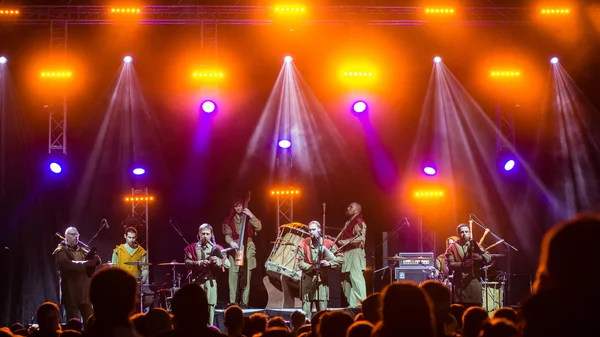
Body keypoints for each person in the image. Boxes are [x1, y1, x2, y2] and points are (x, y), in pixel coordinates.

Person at [52, 227, 100, 324]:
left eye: (77, 234)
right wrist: (86, 263)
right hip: (71, 292)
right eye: (73, 234)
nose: (76, 237)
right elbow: (67, 265)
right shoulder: (60, 251)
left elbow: (94, 262)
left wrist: (96, 259)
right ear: (66, 236)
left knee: (91, 321)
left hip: (84, 293)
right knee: (73, 322)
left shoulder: (82, 250)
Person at [184, 223, 229, 326]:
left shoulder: (217, 248)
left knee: (210, 307)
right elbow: (187, 262)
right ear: (199, 234)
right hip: (197, 282)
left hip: (210, 281)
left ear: (211, 235)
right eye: (203, 233)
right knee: (196, 307)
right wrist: (198, 263)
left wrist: (217, 260)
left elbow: (227, 264)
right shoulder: (192, 248)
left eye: (207, 234)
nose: (205, 236)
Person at [297, 221, 342, 318]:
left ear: (319, 230)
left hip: (322, 282)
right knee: (306, 313)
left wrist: (329, 264)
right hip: (308, 282)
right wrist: (312, 267)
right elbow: (299, 263)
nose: (311, 232)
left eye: (313, 229)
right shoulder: (303, 243)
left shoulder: (328, 243)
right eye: (309, 230)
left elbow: (340, 259)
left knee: (323, 314)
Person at [222, 199, 262, 307]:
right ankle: (232, 301)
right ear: (233, 208)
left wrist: (251, 215)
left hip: (248, 245)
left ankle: (245, 302)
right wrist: (231, 242)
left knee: (247, 273)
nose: (238, 208)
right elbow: (227, 234)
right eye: (236, 206)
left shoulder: (248, 217)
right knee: (233, 273)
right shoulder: (229, 220)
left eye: (240, 205)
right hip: (235, 245)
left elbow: (259, 227)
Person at [445, 223, 491, 308]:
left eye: (466, 231)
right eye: (462, 232)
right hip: (460, 284)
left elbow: (488, 257)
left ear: (469, 233)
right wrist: (463, 265)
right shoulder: (452, 247)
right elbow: (450, 264)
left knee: (475, 310)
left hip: (474, 283)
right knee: (460, 310)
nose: (464, 234)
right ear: (458, 234)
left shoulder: (474, 244)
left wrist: (480, 257)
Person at [334, 202, 367, 308]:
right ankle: (353, 304)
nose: (348, 208)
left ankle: (362, 303)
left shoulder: (359, 221)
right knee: (345, 279)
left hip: (355, 252)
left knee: (356, 278)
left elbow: (361, 238)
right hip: (347, 252)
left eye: (351, 207)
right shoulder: (349, 222)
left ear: (356, 210)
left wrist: (345, 242)